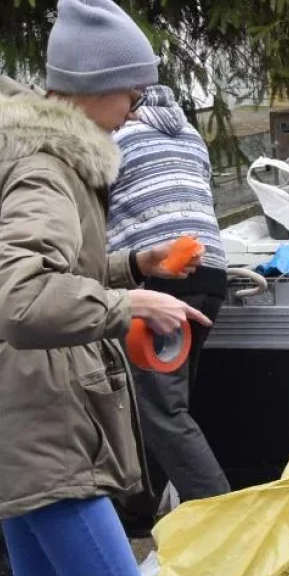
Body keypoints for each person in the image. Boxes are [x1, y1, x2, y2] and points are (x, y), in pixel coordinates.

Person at [0, 0, 209, 576]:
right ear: (95, 85)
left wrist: (132, 265)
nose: (136, 106)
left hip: (5, 400)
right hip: (37, 416)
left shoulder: (12, 148)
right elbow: (23, 296)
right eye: (132, 91)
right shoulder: (46, 168)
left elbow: (13, 279)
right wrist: (129, 305)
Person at [108, 84, 231, 527]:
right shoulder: (188, 133)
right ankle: (140, 510)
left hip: (160, 275)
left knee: (161, 408)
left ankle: (226, 518)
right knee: (162, 402)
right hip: (210, 274)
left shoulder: (114, 137)